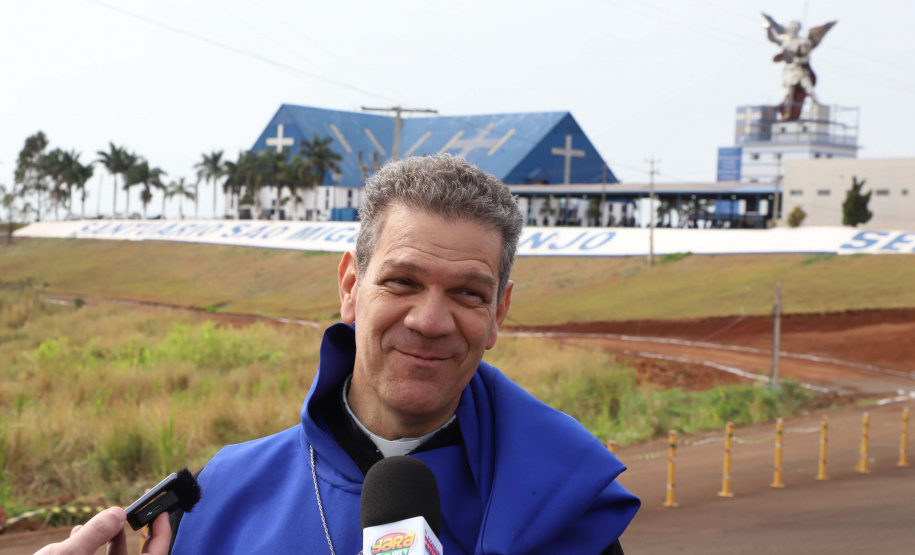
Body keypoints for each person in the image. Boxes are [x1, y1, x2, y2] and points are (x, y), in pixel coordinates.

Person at [36, 154, 639, 555]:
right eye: (402, 282)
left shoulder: (564, 508)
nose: (430, 322)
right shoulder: (227, 494)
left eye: (466, 293)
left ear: (498, 314)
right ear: (351, 287)